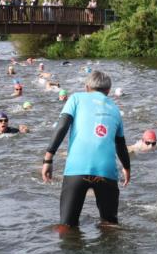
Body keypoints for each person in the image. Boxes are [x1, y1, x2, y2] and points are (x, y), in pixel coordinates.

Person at [41, 71, 130, 229]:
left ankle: (68, 249)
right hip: (106, 172)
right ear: (108, 91)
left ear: (86, 87)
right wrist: (126, 167)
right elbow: (120, 144)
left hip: (77, 170)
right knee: (110, 227)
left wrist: (48, 158)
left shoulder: (76, 98)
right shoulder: (115, 109)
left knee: (66, 226)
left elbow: (62, 127)